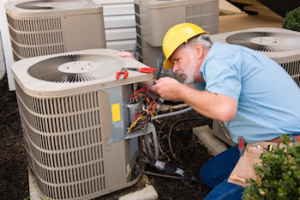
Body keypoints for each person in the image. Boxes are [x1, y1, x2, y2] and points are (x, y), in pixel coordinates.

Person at [119, 23, 300, 199]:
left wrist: (179, 90)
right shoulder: (215, 63)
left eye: (177, 59)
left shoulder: (220, 60)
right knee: (209, 175)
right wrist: (140, 74)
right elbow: (179, 94)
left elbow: (223, 110)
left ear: (198, 49)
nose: (174, 69)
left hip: (285, 145)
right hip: (264, 139)